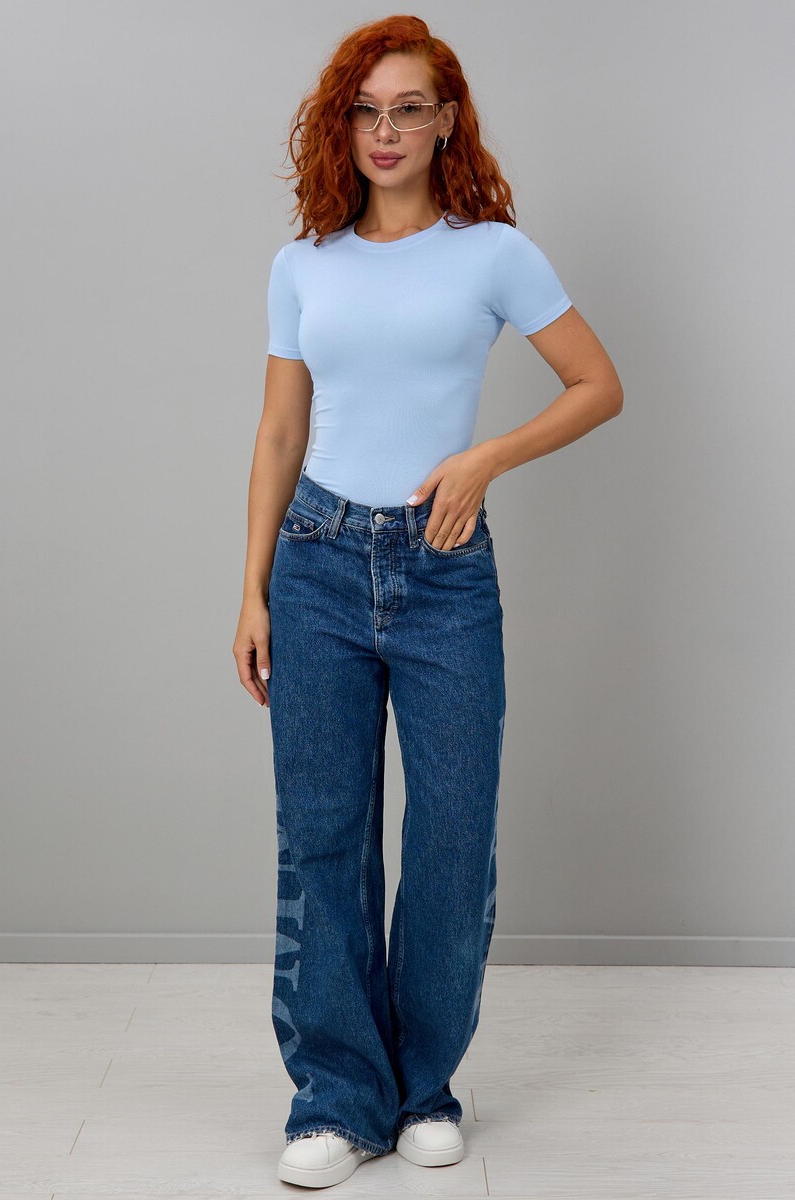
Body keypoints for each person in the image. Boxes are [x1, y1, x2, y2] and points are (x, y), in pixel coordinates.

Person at [233, 14, 623, 1190]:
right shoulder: (303, 265)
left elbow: (596, 384)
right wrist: (249, 591)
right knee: (323, 840)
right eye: (365, 110)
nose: (386, 129)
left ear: (445, 121)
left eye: (408, 108)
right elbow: (279, 433)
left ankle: (424, 1087)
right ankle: (334, 1097)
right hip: (314, 562)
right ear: (340, 126)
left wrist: (483, 459)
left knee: (451, 837)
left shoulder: (491, 253)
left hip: (443, 568)